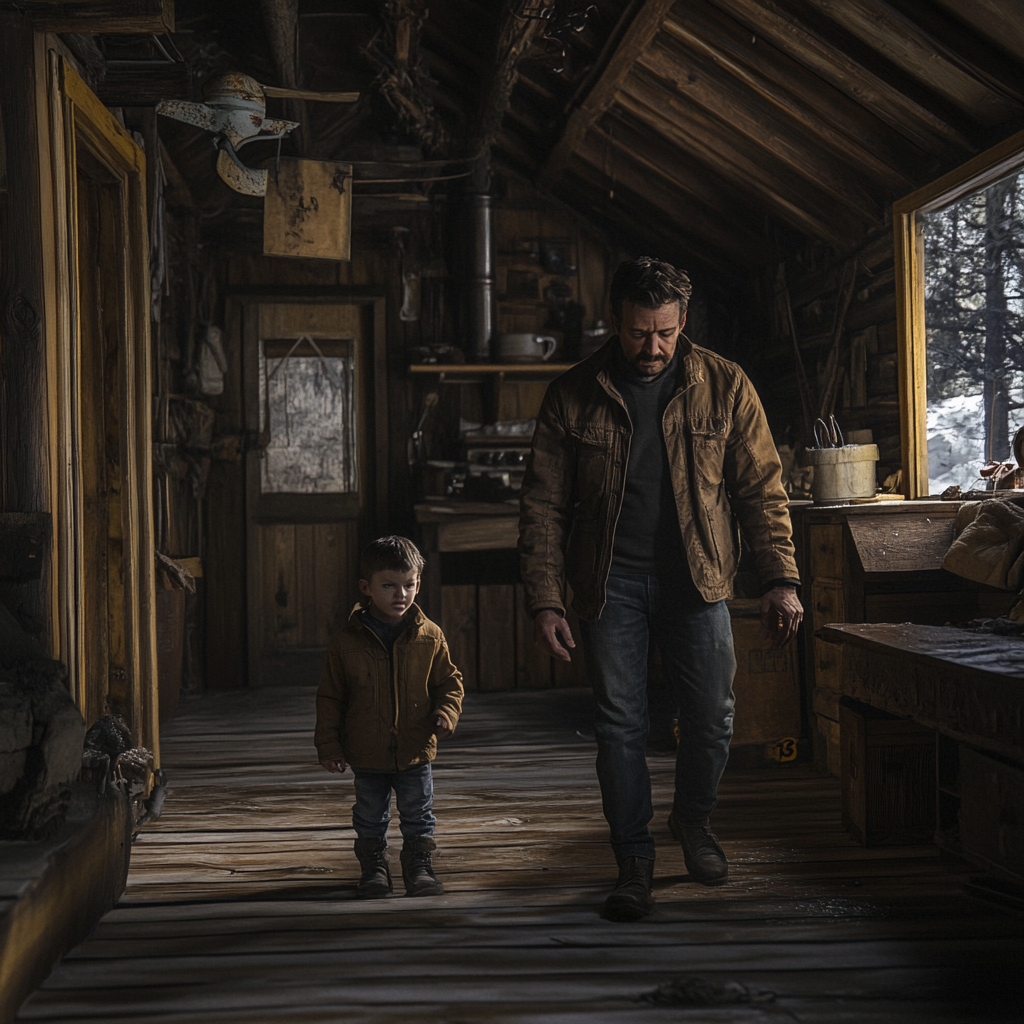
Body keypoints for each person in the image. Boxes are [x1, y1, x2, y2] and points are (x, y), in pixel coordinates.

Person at [519, 257, 802, 922]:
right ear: (614, 320)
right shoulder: (572, 394)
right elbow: (542, 508)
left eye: (666, 334)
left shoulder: (726, 386)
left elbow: (762, 490)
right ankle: (633, 859)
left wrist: (782, 578)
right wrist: (546, 598)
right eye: (640, 332)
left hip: (699, 583)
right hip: (608, 585)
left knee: (712, 720)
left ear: (683, 323)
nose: (653, 348)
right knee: (621, 728)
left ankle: (694, 823)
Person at [315, 536, 464, 899]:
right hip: (366, 752)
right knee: (369, 815)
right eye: (389, 585)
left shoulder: (430, 636)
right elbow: (331, 697)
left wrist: (446, 712)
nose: (401, 594)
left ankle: (418, 866)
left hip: (415, 750)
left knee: (419, 814)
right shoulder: (347, 642)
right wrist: (330, 745)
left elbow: (450, 682)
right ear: (366, 588)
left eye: (409, 584)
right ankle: (374, 868)